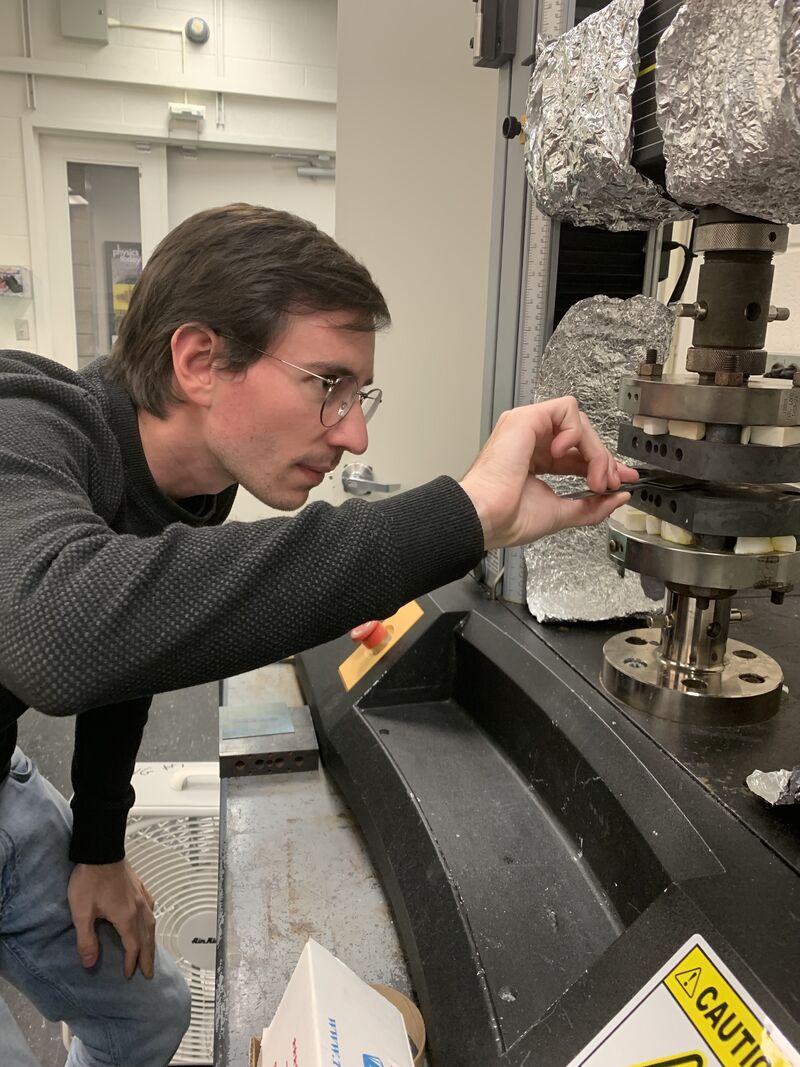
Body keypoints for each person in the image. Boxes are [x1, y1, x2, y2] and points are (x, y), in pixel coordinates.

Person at [0, 203, 636, 1066]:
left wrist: (100, 845)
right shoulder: (23, 419)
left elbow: (131, 648)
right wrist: (462, 513)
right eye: (327, 384)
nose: (354, 431)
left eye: (358, 393)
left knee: (148, 1015)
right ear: (198, 361)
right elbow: (60, 634)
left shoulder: (195, 485)